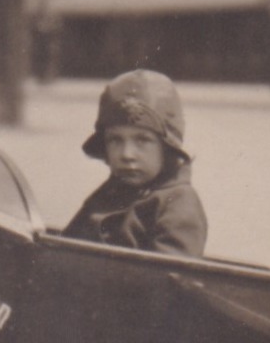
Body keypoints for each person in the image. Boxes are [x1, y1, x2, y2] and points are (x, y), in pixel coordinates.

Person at [61, 70, 207, 257]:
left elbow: (171, 276)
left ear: (166, 148)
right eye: (115, 140)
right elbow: (66, 248)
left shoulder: (177, 203)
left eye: (142, 140)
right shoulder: (109, 192)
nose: (127, 154)